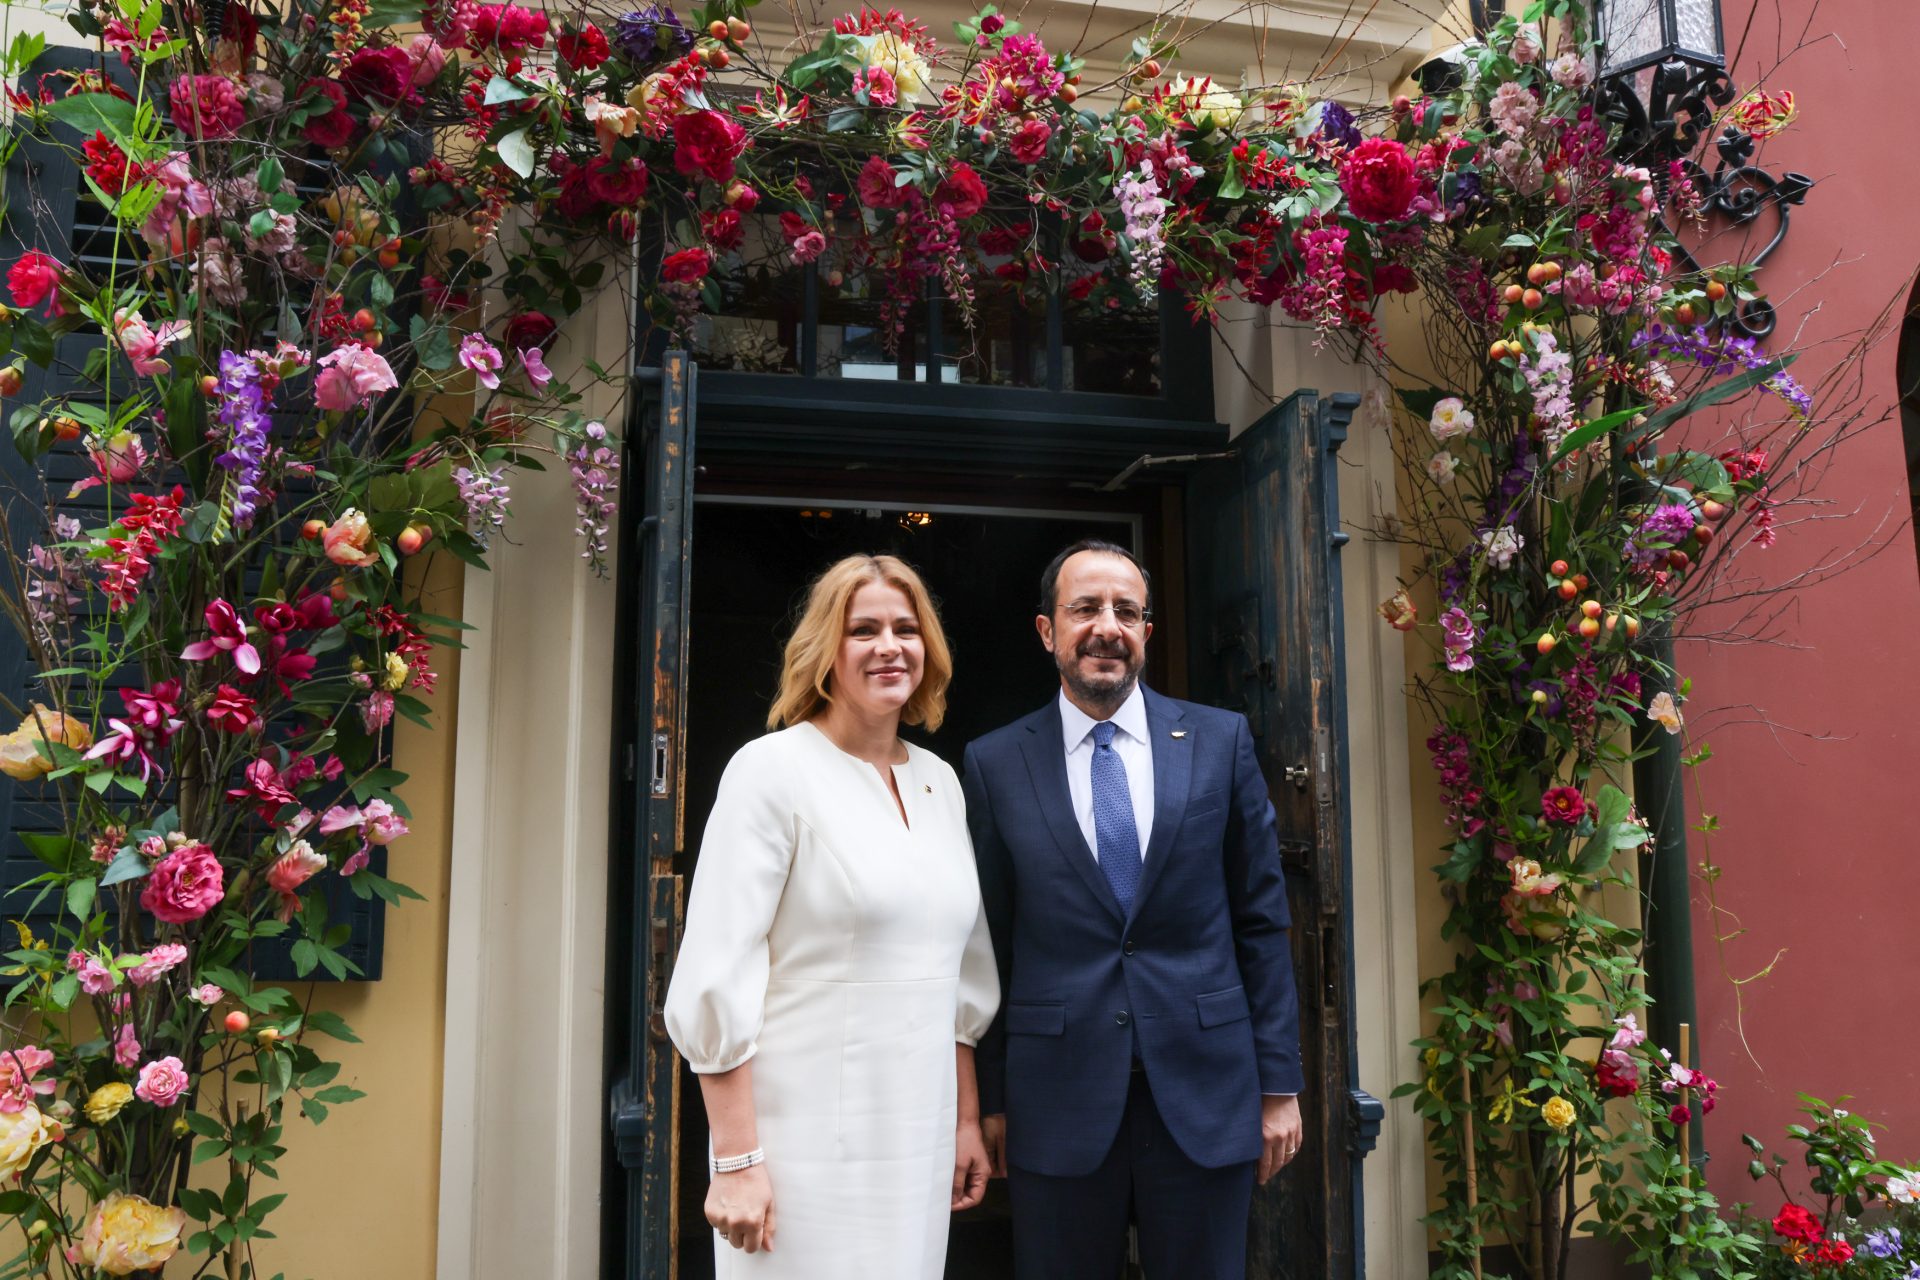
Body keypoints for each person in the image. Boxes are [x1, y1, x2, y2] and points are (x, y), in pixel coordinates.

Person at [963, 539, 1305, 1280]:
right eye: (1085, 608)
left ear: (1147, 631)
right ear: (1047, 631)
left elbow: (1261, 920)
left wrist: (1279, 1084)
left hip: (1205, 1092)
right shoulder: (994, 763)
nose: (1107, 627)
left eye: (1126, 611)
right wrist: (989, 1099)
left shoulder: (1219, 740)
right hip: (1056, 1099)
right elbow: (988, 944)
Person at [663, 553, 999, 1277]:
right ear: (825, 650)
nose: (889, 646)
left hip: (919, 1140)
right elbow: (717, 971)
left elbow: (961, 978)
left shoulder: (941, 783)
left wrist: (965, 1121)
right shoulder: (770, 772)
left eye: (906, 628)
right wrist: (736, 1160)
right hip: (800, 1148)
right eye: (863, 630)